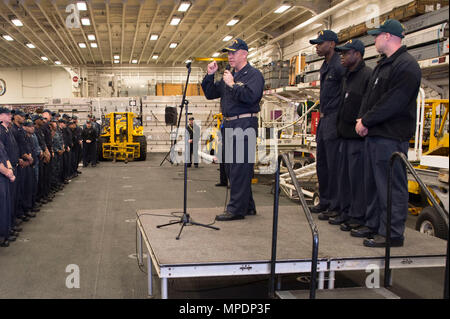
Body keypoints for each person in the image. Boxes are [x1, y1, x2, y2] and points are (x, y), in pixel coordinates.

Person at [354, 19, 421, 247]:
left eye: (377, 35)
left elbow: (393, 102)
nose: (374, 40)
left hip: (391, 137)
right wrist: (361, 119)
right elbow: (369, 98)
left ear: (388, 37)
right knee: (373, 184)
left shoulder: (406, 66)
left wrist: (367, 120)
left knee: (390, 186)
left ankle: (392, 233)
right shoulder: (384, 64)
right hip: (375, 134)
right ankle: (374, 225)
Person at [201, 38, 264, 221]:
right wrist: (210, 76)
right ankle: (248, 205)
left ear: (244, 54)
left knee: (239, 167)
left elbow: (251, 97)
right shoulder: (229, 75)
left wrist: (232, 85)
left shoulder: (253, 75)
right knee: (230, 167)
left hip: (244, 125)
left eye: (233, 53)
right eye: (228, 53)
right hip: (229, 125)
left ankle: (236, 209)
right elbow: (210, 93)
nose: (230, 56)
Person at [327, 39, 372, 230]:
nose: (342, 56)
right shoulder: (347, 76)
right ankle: (345, 212)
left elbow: (367, 105)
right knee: (343, 177)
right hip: (343, 135)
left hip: (357, 139)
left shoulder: (367, 75)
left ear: (358, 54)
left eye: (346, 53)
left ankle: (357, 216)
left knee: (356, 180)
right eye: (341, 53)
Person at [308, 30, 346, 221]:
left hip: (334, 118)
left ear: (331, 44)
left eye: (320, 43)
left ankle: (335, 206)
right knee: (322, 163)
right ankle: (324, 201)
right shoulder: (326, 65)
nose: (317, 46)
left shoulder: (340, 65)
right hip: (323, 119)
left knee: (333, 165)